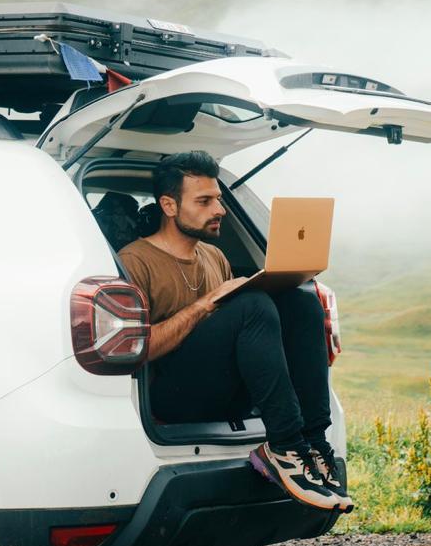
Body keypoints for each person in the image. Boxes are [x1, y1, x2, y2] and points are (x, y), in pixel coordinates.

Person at [118, 151, 351, 514]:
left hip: (225, 394)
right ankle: (285, 446)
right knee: (252, 306)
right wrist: (204, 304)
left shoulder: (214, 257)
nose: (220, 210)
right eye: (204, 201)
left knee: (302, 301)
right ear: (169, 205)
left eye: (219, 199)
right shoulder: (135, 261)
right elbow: (139, 350)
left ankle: (313, 442)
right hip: (171, 400)